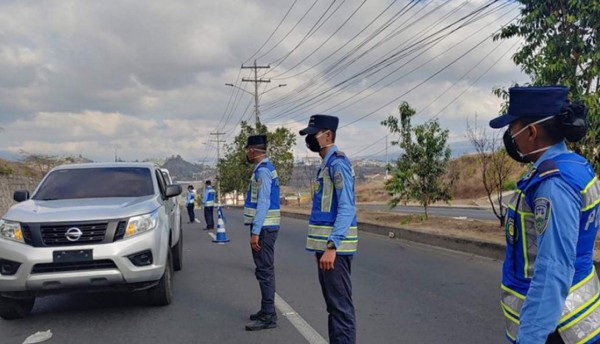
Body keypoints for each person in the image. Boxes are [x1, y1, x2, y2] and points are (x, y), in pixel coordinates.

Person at [489, 86, 600, 344]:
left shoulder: (553, 185)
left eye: (513, 128)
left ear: (531, 131)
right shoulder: (575, 165)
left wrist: (530, 338)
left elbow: (553, 269)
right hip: (576, 322)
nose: (511, 136)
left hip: (558, 329)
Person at [299, 114, 358, 344]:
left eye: (313, 134)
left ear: (328, 135)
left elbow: (347, 207)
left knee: (341, 309)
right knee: (334, 308)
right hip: (327, 250)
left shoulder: (338, 164)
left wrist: (332, 246)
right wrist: (321, 249)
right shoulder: (326, 165)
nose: (310, 140)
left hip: (336, 250)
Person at [243, 134, 281, 331]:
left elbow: (264, 202)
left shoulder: (263, 172)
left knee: (264, 271)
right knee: (263, 270)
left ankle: (268, 315)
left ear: (253, 150)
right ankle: (266, 310)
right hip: (266, 227)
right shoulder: (262, 169)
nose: (246, 153)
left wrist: (255, 231)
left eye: (247, 149)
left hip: (265, 228)